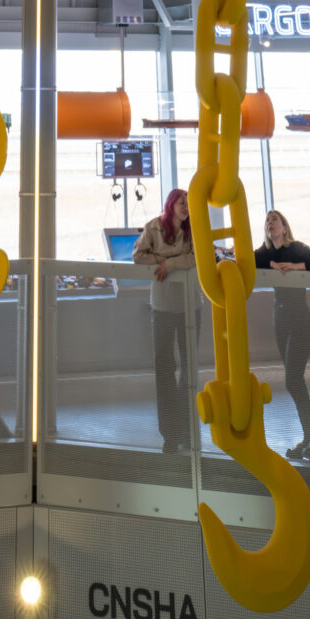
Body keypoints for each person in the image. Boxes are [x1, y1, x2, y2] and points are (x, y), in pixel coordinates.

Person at [255, 208, 310, 463]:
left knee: (292, 380)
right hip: (280, 319)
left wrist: (297, 266)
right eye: (267, 221)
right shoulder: (265, 252)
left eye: (274, 219)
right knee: (295, 381)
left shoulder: (296, 248)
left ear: (285, 227)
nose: (270, 223)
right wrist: (271, 265)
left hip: (299, 318)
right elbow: (248, 261)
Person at [133, 187, 197, 453]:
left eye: (189, 204)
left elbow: (197, 258)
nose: (185, 207)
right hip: (162, 307)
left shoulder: (195, 230)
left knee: (189, 371)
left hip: (190, 306)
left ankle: (188, 430)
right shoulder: (154, 228)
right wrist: (166, 258)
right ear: (171, 204)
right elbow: (138, 256)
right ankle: (170, 433)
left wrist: (168, 265)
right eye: (181, 203)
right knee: (165, 370)